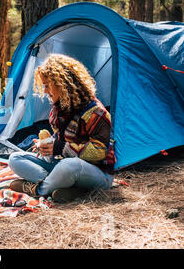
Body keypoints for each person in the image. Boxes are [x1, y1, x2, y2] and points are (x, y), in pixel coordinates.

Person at [8, 54, 115, 203]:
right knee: (15, 158)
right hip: (64, 166)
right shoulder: (59, 108)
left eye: (47, 85)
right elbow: (60, 139)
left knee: (69, 166)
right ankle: (69, 189)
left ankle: (39, 190)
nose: (45, 91)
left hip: (98, 173)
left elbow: (99, 152)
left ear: (62, 84)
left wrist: (60, 148)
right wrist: (46, 145)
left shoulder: (96, 112)